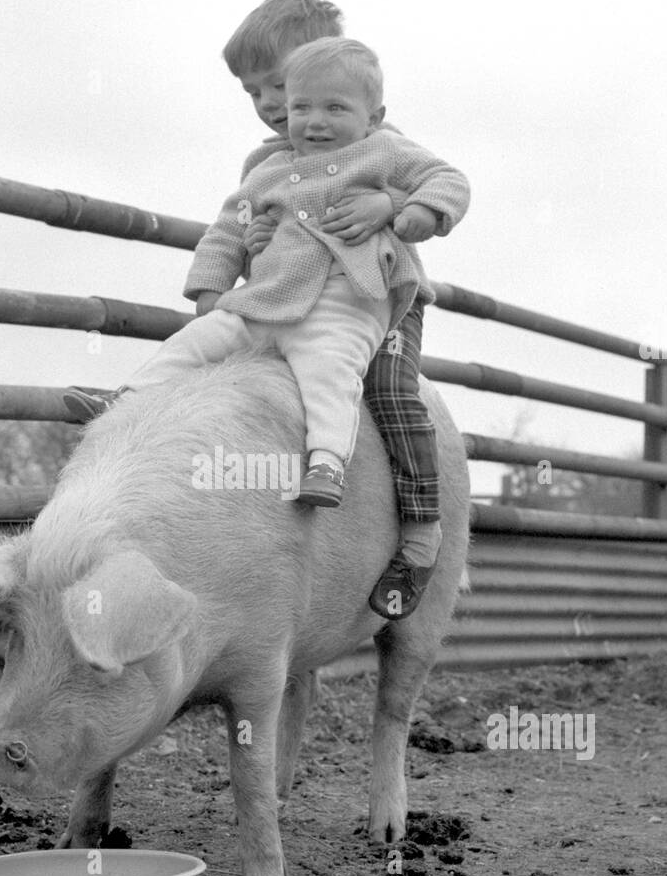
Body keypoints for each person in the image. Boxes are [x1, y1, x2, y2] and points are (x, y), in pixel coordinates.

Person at [65, 37, 468, 530]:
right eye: (299, 105)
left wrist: (411, 209)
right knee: (195, 343)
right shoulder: (268, 170)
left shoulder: (383, 150)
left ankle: (329, 464)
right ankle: (125, 401)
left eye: (332, 107)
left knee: (332, 375)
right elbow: (229, 227)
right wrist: (212, 290)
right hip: (267, 300)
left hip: (346, 300)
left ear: (373, 115)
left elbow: (446, 179)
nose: (312, 119)